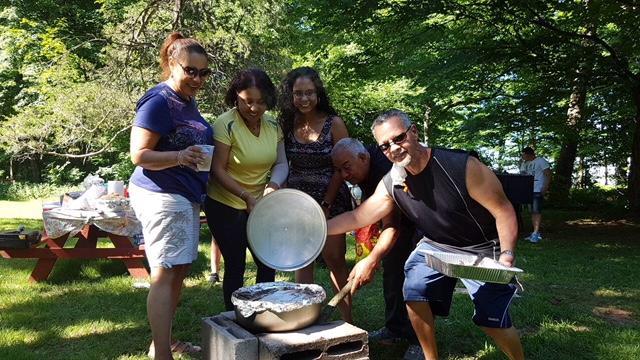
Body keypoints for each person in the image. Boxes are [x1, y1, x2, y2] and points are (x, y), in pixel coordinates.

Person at [327, 110, 524, 360]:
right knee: (414, 291)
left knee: (491, 321)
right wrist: (318, 227)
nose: (394, 149)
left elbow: (504, 210)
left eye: (398, 138)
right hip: (436, 244)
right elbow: (358, 217)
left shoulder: (462, 166)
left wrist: (506, 255)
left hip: (482, 247)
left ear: (414, 131)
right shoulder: (392, 182)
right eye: (385, 146)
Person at [128, 32, 213, 359]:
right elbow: (139, 154)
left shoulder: (187, 101)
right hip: (161, 194)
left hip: (184, 195)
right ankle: (162, 354)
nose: (197, 78)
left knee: (179, 269)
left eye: (203, 73)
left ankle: (163, 342)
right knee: (164, 271)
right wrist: (179, 157)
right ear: (171, 65)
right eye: (190, 70)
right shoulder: (158, 100)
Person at [204, 68, 288, 310]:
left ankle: (265, 312)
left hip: (260, 203)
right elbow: (217, 170)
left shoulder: (273, 124)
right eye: (247, 101)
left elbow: (281, 163)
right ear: (236, 97)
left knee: (266, 261)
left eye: (261, 102)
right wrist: (245, 196)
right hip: (226, 204)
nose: (254, 108)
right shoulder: (225, 124)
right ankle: (235, 319)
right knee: (236, 264)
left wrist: (272, 187)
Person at [331, 138, 419, 353]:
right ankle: (395, 328)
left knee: (415, 281)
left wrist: (372, 259)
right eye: (339, 170)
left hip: (421, 222)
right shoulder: (363, 166)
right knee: (392, 272)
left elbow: (393, 225)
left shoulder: (383, 169)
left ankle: (419, 341)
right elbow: (367, 215)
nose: (344, 176)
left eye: (346, 168)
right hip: (398, 219)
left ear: (362, 158)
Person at [278, 67, 353, 322]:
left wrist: (326, 203)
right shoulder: (287, 124)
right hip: (297, 202)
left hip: (330, 201)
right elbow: (283, 164)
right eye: (298, 93)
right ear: (291, 96)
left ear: (318, 93)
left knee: (334, 260)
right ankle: (304, 317)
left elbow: (343, 167)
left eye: (309, 92)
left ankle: (348, 320)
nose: (304, 98)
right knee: (302, 260)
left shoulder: (335, 123)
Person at [519, 146, 551, 243]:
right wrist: (520, 165)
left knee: (536, 211)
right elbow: (523, 175)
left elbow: (548, 174)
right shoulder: (525, 163)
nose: (522, 157)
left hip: (538, 189)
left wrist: (545, 187)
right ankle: (534, 232)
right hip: (529, 190)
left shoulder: (541, 161)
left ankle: (536, 233)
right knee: (532, 211)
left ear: (529, 154)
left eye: (523, 155)